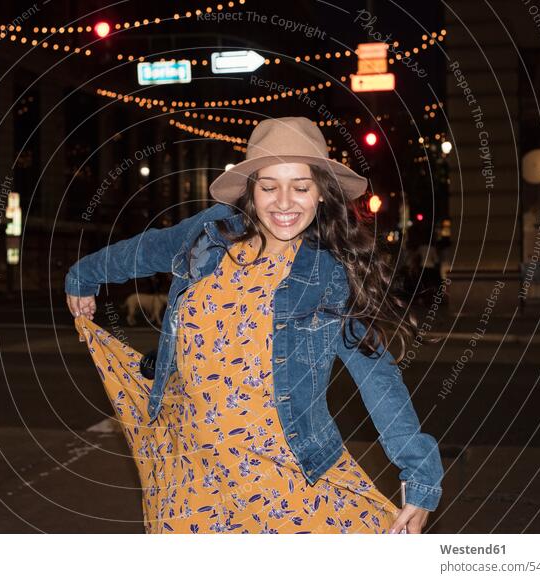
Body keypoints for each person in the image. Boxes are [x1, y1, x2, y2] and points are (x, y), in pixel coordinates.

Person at [65, 117, 444, 534]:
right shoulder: (209, 235)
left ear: (321, 194)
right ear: (250, 190)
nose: (284, 202)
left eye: (300, 186)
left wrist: (420, 473)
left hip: (284, 477)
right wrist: (84, 274)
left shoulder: (327, 273)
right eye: (268, 186)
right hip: (190, 473)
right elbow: (146, 250)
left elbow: (376, 372)